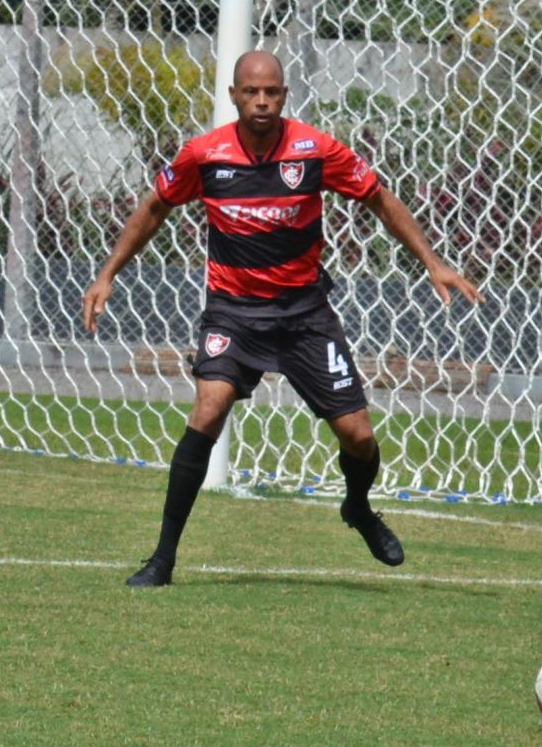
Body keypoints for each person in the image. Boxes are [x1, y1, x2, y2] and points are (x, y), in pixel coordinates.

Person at [83, 50, 482, 587]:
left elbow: (379, 198)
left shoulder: (315, 151)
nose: (262, 101)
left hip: (304, 316)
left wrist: (433, 263)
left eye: (272, 92)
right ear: (234, 96)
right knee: (208, 409)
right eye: (252, 92)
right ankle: (162, 559)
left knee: (359, 437)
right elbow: (154, 207)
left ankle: (358, 508)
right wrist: (108, 273)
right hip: (234, 313)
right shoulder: (204, 156)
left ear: (285, 95)